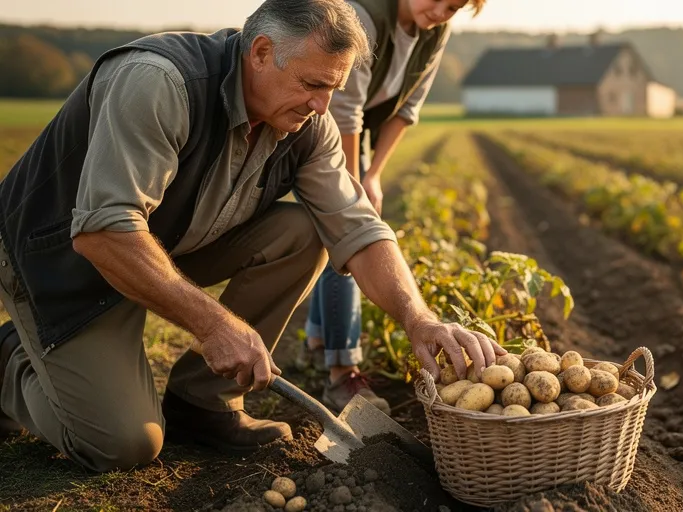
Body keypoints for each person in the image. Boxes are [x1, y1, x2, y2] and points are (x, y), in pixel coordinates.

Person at [0, 0, 502, 474]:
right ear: (260, 52)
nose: (323, 105)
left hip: (161, 243)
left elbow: (358, 226)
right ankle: (8, 363)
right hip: (61, 258)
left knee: (303, 232)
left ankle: (201, 402)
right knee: (123, 444)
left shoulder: (309, 120)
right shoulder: (160, 83)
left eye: (335, 88)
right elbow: (105, 231)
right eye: (313, 83)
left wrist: (418, 319)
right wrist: (215, 324)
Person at [296, 0, 485, 416]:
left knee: (353, 218)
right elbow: (343, 110)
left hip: (357, 126)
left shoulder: (434, 31)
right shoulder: (363, 17)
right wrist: (351, 187)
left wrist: (374, 174)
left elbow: (408, 108)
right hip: (313, 119)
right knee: (346, 232)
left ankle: (314, 339)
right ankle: (342, 371)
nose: (438, 11)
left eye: (452, 7)